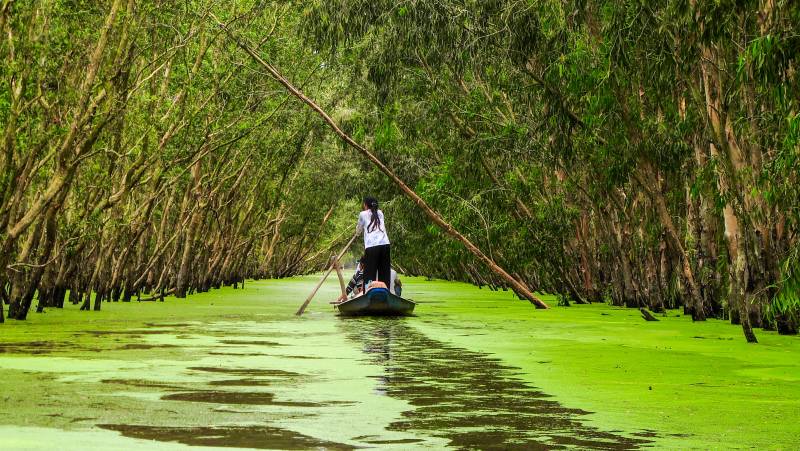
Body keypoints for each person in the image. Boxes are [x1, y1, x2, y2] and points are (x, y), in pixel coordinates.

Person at [356, 197, 391, 288]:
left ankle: (368, 290)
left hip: (372, 247)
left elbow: (359, 229)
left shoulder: (362, 214)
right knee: (384, 272)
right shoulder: (380, 213)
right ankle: (385, 289)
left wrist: (357, 233)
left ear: (366, 205)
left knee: (369, 273)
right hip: (385, 245)